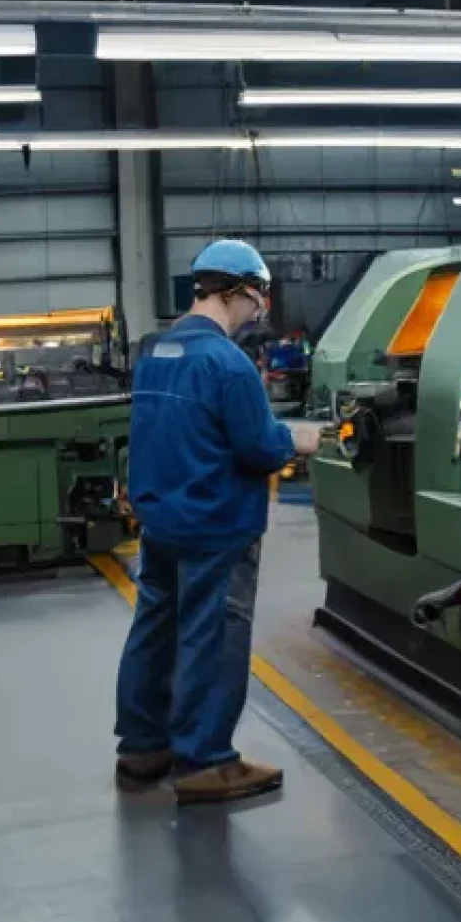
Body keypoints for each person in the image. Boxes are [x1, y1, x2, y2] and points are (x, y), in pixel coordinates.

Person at [114, 239, 320, 805]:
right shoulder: (228, 363)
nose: (260, 310)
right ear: (242, 291)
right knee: (214, 634)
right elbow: (258, 447)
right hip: (215, 523)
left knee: (155, 628)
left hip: (162, 519)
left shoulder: (155, 352)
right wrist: (297, 441)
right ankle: (205, 759)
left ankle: (143, 746)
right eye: (259, 297)